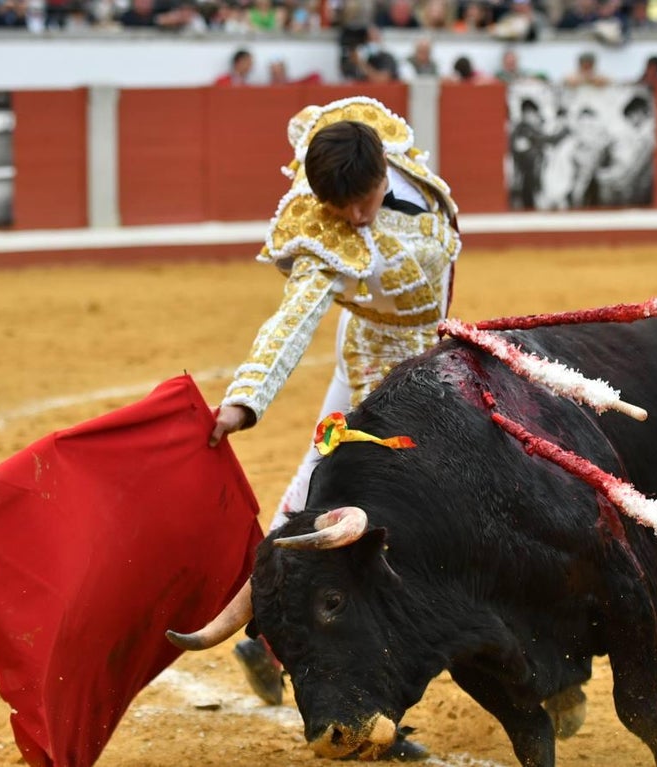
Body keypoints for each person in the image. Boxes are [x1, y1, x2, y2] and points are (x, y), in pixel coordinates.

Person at [209, 99, 460, 759]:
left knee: (315, 492)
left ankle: (262, 634)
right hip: (383, 370)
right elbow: (291, 320)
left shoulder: (379, 149)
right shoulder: (326, 232)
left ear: (382, 168)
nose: (353, 217)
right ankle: (362, 705)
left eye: (361, 200)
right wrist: (244, 401)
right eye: (339, 206)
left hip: (423, 351)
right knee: (389, 522)